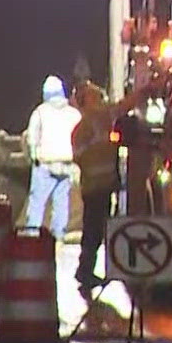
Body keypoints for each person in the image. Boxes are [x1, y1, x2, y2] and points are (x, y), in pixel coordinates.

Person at [69, 80, 119, 290]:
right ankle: (85, 271)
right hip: (94, 187)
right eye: (93, 95)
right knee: (92, 230)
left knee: (97, 229)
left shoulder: (100, 120)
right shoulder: (83, 129)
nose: (99, 97)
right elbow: (80, 156)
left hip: (103, 185)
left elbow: (123, 106)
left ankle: (87, 270)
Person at [24, 75, 81, 239]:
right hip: (67, 164)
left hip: (45, 164)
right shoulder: (74, 114)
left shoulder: (40, 112)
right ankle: (58, 236)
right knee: (61, 202)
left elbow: (32, 137)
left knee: (37, 202)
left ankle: (31, 234)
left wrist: (34, 156)